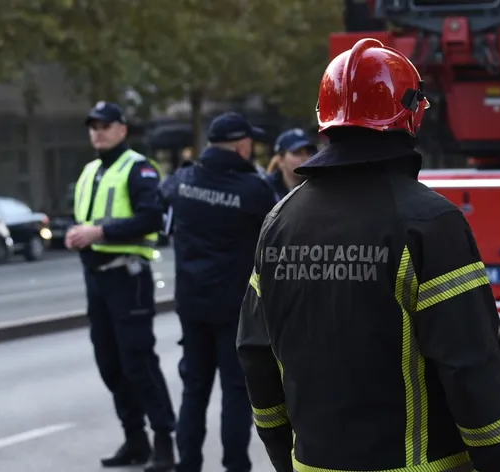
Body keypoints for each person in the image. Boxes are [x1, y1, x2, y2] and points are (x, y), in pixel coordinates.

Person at [236, 38, 500, 472]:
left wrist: (288, 458)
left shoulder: (279, 222)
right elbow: (471, 370)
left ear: (326, 119)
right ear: (411, 114)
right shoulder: (430, 222)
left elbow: (255, 355)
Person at [160, 111, 277, 472]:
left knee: (194, 389)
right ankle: (236, 465)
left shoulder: (183, 181)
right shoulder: (253, 190)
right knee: (235, 392)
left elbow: (163, 204)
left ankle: (188, 463)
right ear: (242, 146)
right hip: (234, 309)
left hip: (192, 304)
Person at [67, 101, 176, 472]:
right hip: (96, 278)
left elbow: (153, 216)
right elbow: (86, 216)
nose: (98, 131)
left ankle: (164, 442)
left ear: (122, 130)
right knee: (109, 362)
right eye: (93, 125)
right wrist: (77, 233)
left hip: (128, 277)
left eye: (106, 125)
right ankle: (135, 440)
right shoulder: (90, 171)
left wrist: (100, 232)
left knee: (138, 361)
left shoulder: (138, 168)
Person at [266, 128, 317, 200]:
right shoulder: (266, 190)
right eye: (297, 153)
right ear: (281, 160)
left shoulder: (319, 186)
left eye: (308, 153)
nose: (305, 158)